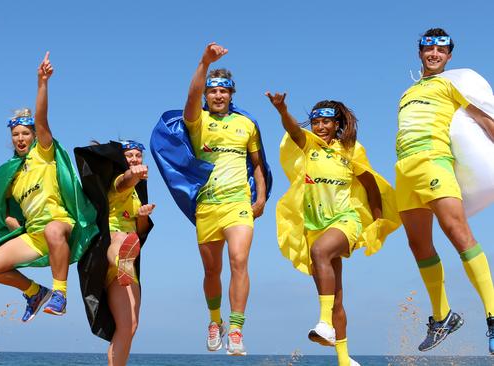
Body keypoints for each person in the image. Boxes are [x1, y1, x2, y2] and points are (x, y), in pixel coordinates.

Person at [268, 94, 400, 366]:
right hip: (314, 224)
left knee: (320, 252)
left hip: (345, 220)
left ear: (337, 123)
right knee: (335, 298)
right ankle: (344, 359)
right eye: (316, 122)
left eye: (326, 121)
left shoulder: (350, 150)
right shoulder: (309, 146)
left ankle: (324, 323)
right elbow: (293, 129)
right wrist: (282, 109)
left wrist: (377, 222)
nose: (320, 127)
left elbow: (371, 185)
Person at [0, 52, 97, 324]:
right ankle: (35, 293)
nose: (21, 138)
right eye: (16, 134)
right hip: (33, 235)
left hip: (60, 224)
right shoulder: (10, 174)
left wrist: (42, 83)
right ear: (11, 138)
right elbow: (5, 211)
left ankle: (60, 294)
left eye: (25, 133)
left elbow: (42, 120)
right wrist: (12, 225)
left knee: (53, 229)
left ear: (33, 136)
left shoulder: (43, 153)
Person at [396, 28, 494, 353]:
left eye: (441, 49)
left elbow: (483, 119)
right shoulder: (407, 92)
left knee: (457, 232)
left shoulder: (450, 85)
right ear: (420, 52)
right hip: (405, 170)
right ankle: (443, 317)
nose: (434, 53)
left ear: (449, 56)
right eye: (429, 48)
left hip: (435, 162)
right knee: (418, 244)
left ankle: (493, 317)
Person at [180, 42, 269, 356]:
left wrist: (261, 198)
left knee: (239, 261)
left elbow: (257, 163)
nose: (218, 96)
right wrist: (204, 62)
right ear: (207, 95)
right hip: (207, 206)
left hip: (238, 204)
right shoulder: (197, 121)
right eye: (213, 91)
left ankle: (236, 329)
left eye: (224, 91)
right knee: (212, 271)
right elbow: (190, 97)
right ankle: (214, 321)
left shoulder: (247, 125)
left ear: (232, 94)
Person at [73, 140, 155, 365]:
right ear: (120, 159)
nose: (135, 159)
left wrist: (143, 215)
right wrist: (134, 174)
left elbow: (143, 231)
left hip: (125, 270)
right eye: (130, 155)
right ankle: (122, 260)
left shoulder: (138, 194)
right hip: (110, 245)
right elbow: (124, 182)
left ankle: (124, 263)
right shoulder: (117, 181)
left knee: (129, 326)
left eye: (138, 156)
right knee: (121, 240)